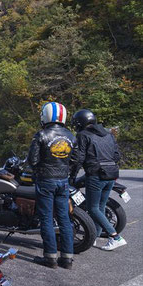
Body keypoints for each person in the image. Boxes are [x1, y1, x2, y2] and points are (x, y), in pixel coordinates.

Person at [27, 102, 76, 269]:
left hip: (45, 181)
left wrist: (38, 171)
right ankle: (68, 259)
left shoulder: (41, 135)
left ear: (45, 116)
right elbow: (75, 161)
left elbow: (32, 160)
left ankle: (50, 258)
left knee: (47, 219)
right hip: (63, 181)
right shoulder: (71, 136)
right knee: (64, 219)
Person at [70, 109, 126, 251]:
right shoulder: (108, 134)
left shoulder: (83, 135)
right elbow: (117, 155)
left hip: (96, 175)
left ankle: (115, 237)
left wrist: (72, 177)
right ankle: (93, 237)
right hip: (111, 174)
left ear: (80, 123)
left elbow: (78, 159)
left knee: (92, 208)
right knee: (100, 207)